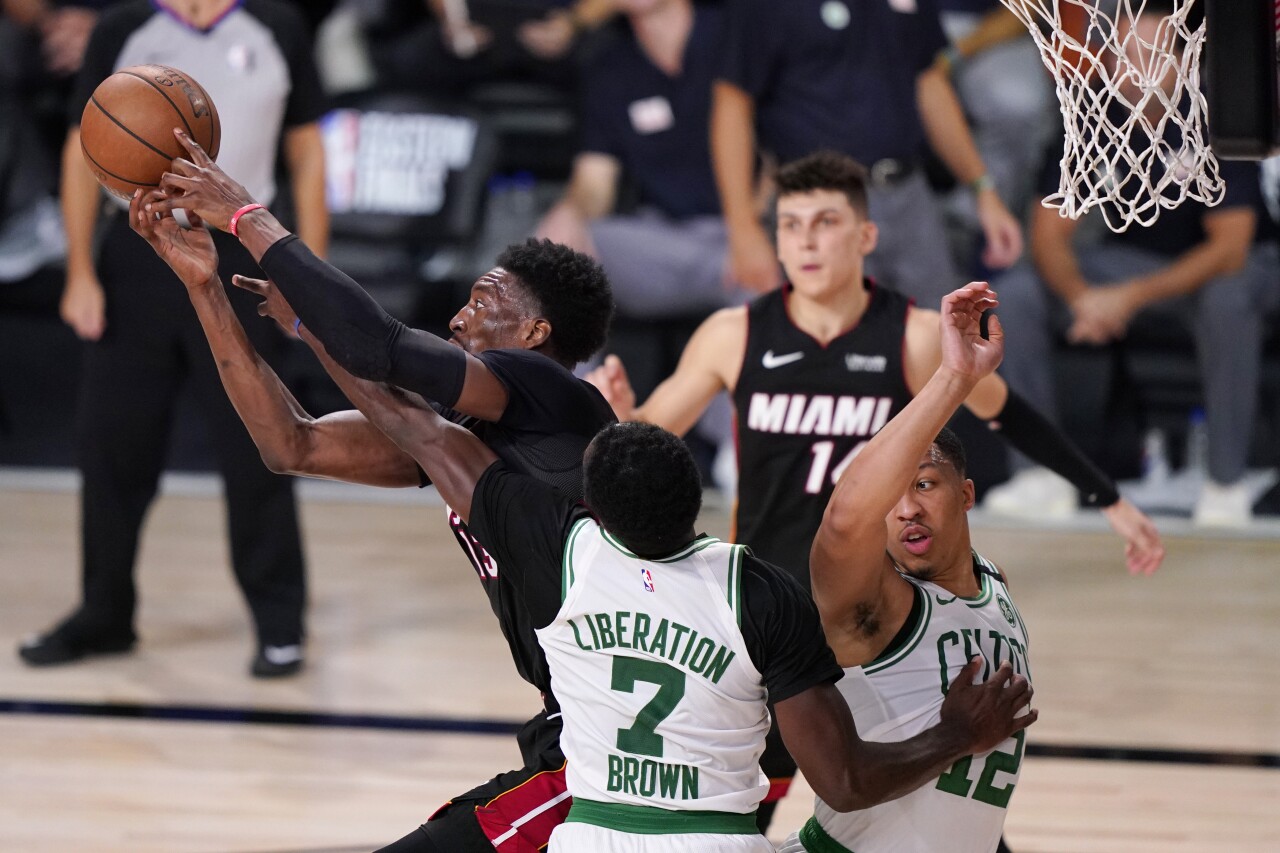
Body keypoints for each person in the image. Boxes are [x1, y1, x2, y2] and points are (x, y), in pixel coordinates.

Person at [239, 273, 1037, 850]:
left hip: (596, 803)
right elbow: (850, 775)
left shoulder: (573, 554)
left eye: (924, 484)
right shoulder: (754, 591)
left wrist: (304, 313)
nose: (905, 506)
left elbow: (417, 422)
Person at [588, 150, 1163, 831]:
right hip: (768, 606)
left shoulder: (915, 337)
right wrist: (617, 417)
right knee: (744, 810)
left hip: (879, 616)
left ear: (865, 235)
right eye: (791, 225)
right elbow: (651, 439)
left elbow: (1009, 413)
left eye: (825, 222)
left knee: (931, 798)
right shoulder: (733, 334)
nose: (806, 241)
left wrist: (1108, 498)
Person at [130, 131, 619, 851]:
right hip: (574, 718)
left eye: (483, 301)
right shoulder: (461, 433)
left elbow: (377, 347)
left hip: (617, 736)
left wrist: (246, 216)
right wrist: (205, 287)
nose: (458, 317)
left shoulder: (558, 396)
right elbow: (292, 444)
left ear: (536, 332)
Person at [17, 0, 329, 677]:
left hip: (242, 252)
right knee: (111, 449)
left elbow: (307, 151)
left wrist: (309, 272)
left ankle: (279, 622)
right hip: (138, 252)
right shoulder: (122, 28)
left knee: (262, 447)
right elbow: (78, 149)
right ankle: (103, 614)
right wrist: (80, 271)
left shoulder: (276, 26)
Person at [987, 1, 1276, 528]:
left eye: (1151, 54)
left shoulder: (1215, 108)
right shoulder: (1092, 112)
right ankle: (1040, 474)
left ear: (1184, 58)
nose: (1136, 69)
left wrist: (1126, 298)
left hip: (1224, 270)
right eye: (1124, 54)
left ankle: (1226, 482)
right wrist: (1081, 297)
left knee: (1228, 297)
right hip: (1130, 265)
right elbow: (1048, 233)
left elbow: (1230, 247)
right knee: (1020, 292)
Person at [781, 282, 1031, 852]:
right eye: (890, 496)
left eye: (923, 484)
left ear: (965, 495)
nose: (907, 509)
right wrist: (955, 377)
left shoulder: (995, 586)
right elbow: (844, 521)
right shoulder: (872, 606)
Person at [710, 0, 1023, 306]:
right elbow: (732, 103)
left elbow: (928, 80)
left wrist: (982, 188)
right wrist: (742, 229)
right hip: (818, 204)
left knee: (939, 329)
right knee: (839, 337)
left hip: (909, 194)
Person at [537, 0, 747, 320]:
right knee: (543, 260)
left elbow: (786, 151)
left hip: (748, 231)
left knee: (780, 275)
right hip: (660, 237)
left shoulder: (737, 35)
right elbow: (594, 183)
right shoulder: (610, 66)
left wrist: (754, 231)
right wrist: (571, 211)